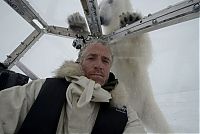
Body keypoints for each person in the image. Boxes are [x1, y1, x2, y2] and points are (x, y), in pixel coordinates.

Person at [0, 38, 146, 134]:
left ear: (110, 68)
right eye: (91, 58)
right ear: (80, 62)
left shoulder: (125, 112)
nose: (99, 65)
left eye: (105, 61)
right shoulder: (42, 88)